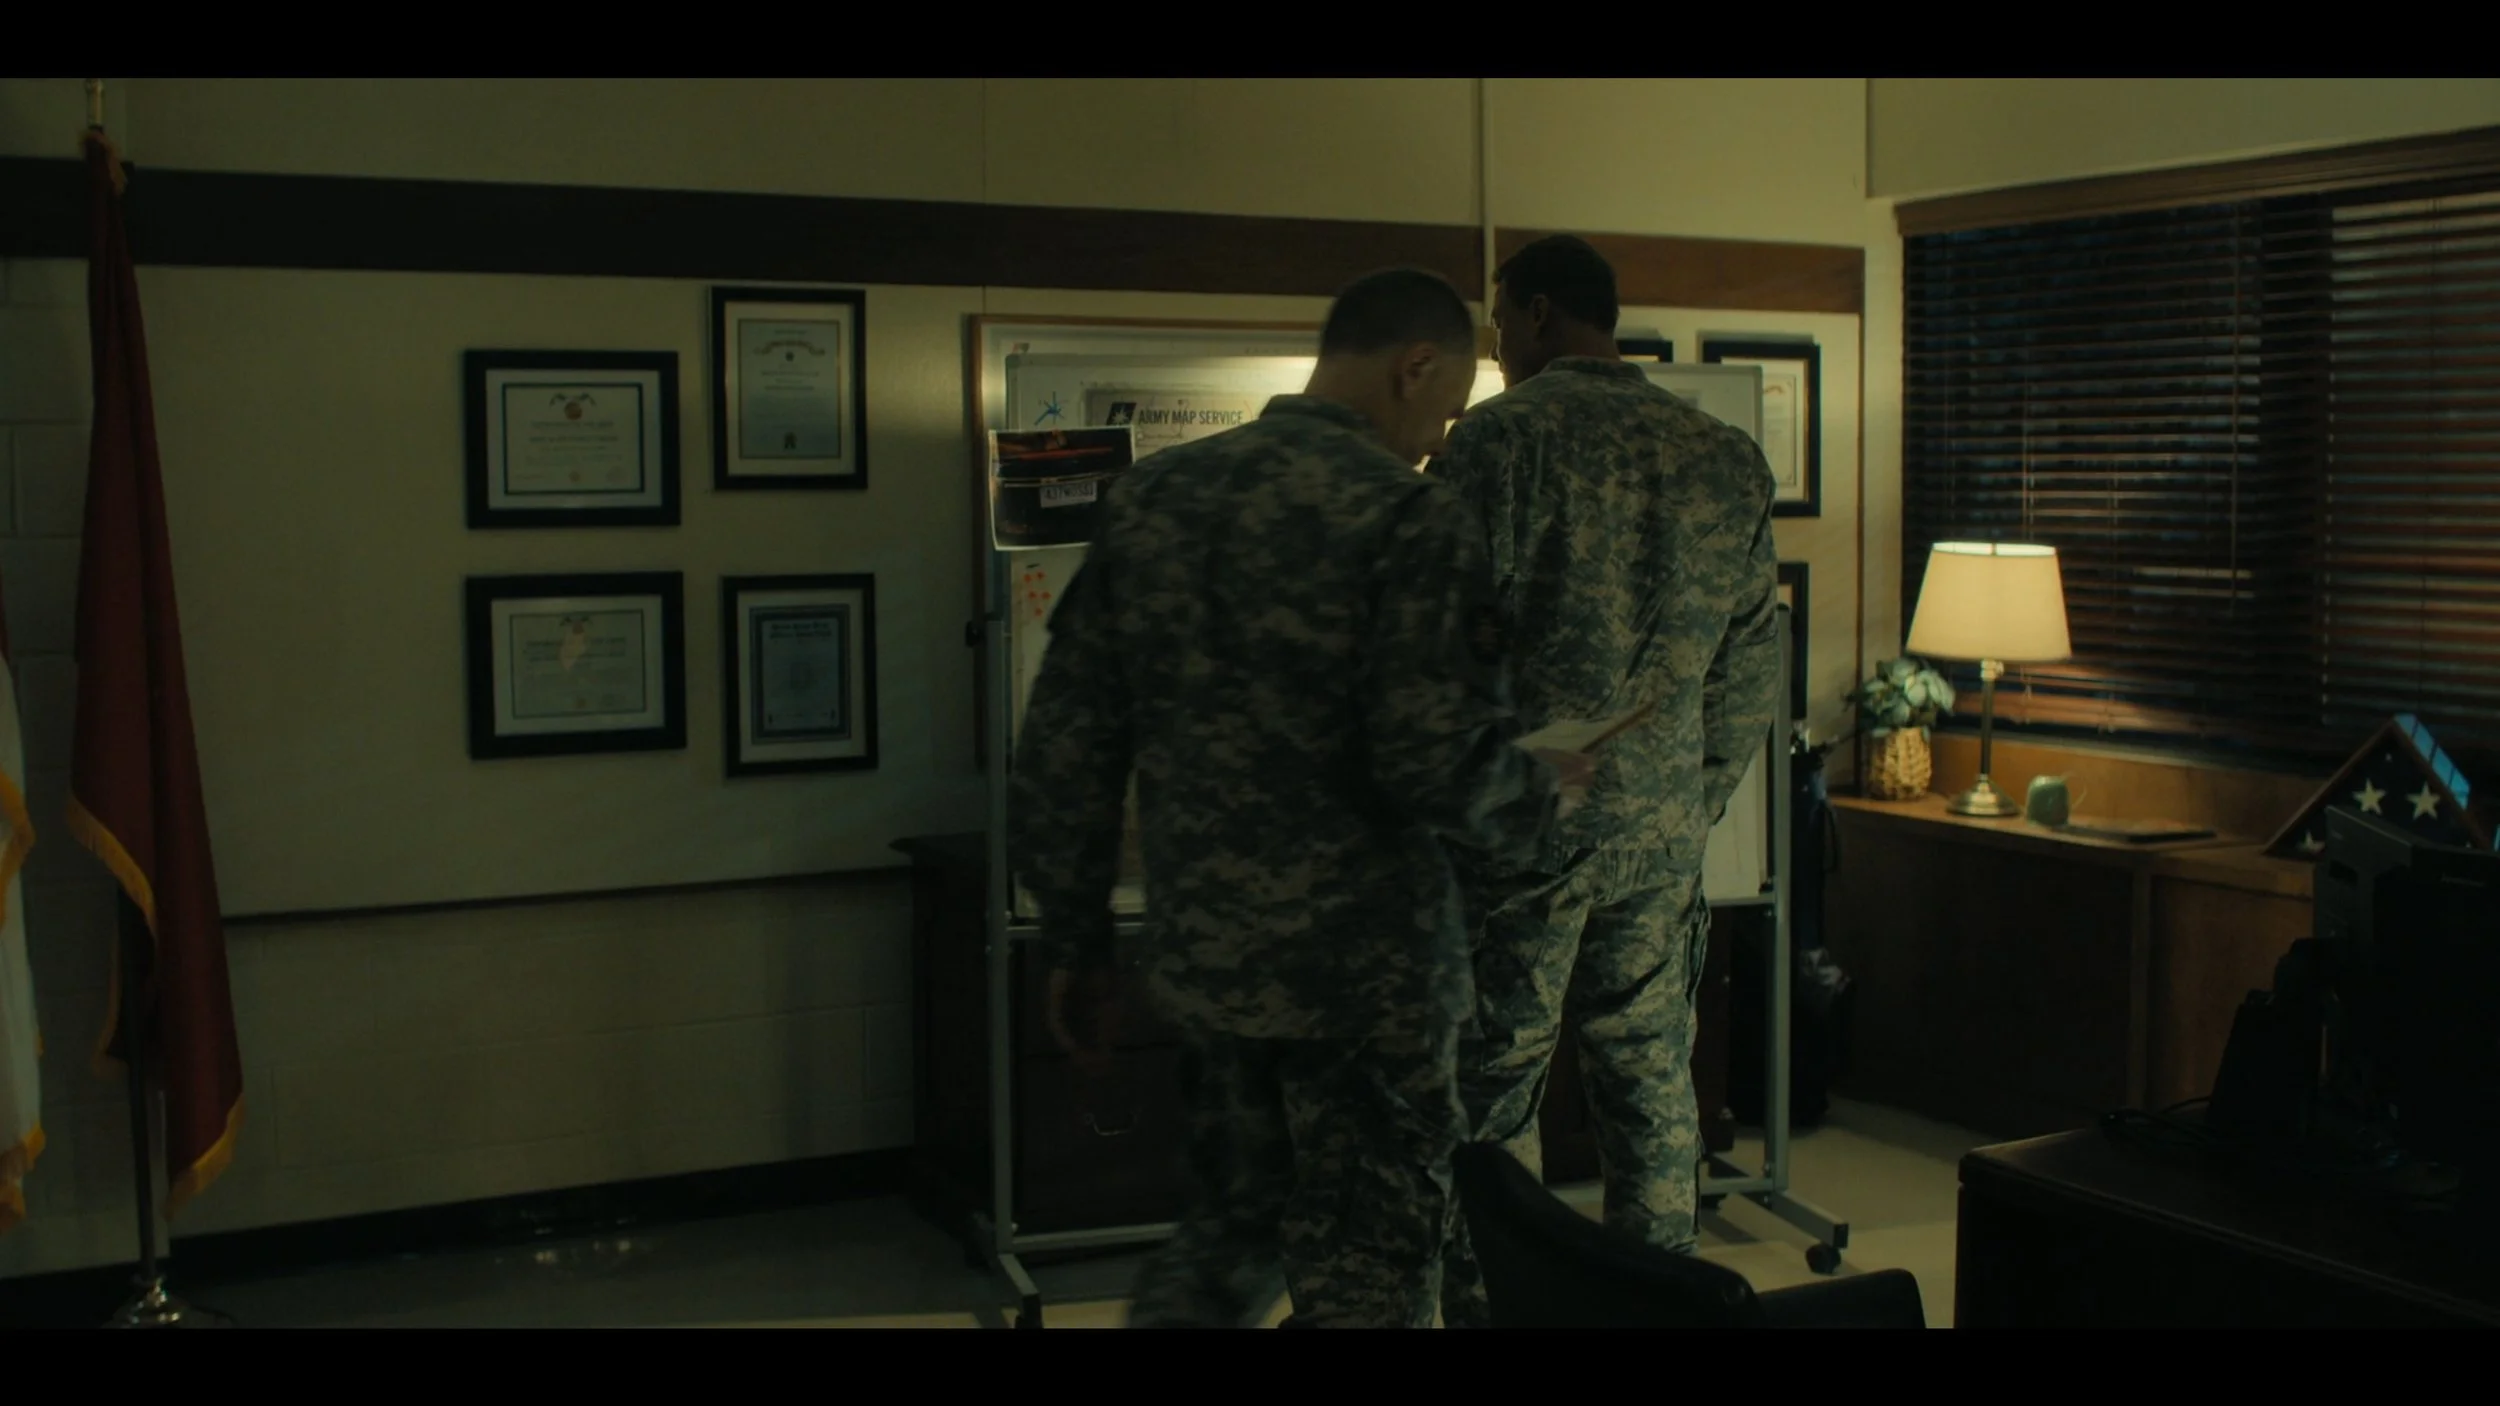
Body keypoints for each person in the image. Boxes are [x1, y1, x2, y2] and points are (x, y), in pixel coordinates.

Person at [1010, 267, 1592, 1329]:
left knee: (1229, 1222)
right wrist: (1536, 791)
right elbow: (1433, 757)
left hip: (1212, 962)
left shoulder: (1155, 497)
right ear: (1416, 367)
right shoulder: (1407, 517)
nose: (1437, 439)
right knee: (1368, 1258)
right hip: (1365, 982)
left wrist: (1076, 937)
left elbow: (1067, 738)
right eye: (1446, 410)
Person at [1428, 234, 1781, 1326]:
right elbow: (1749, 661)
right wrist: (1692, 788)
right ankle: (1663, 1305)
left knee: (1495, 1088)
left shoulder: (1493, 445)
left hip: (1525, 826)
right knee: (1648, 1076)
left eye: (1499, 326)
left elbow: (1436, 646)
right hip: (1660, 828)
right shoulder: (1722, 455)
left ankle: (1500, 1306)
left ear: (1535, 315)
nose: (1499, 349)